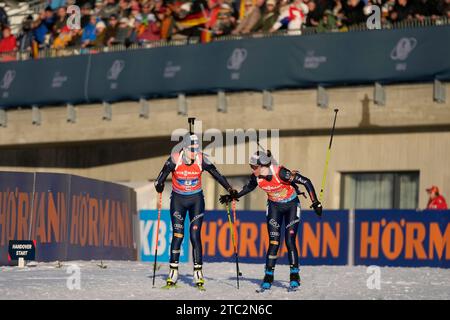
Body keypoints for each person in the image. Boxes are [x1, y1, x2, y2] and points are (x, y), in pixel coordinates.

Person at [220, 150, 322, 290]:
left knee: (289, 240)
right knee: (274, 242)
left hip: (291, 206)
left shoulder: (280, 173)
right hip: (274, 208)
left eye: (254, 167)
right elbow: (248, 188)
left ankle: (294, 275)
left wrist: (315, 202)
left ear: (263, 166)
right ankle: (268, 276)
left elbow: (306, 181)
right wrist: (232, 196)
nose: (252, 169)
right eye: (251, 166)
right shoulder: (256, 177)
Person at [154, 134, 237, 289]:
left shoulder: (201, 159)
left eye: (197, 149)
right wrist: (159, 185)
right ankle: (173, 272)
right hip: (178, 201)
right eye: (192, 149)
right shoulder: (174, 159)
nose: (195, 152)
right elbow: (160, 178)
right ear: (184, 148)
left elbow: (217, 175)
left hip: (196, 201)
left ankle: (198, 272)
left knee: (194, 235)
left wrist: (229, 188)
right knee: (178, 236)